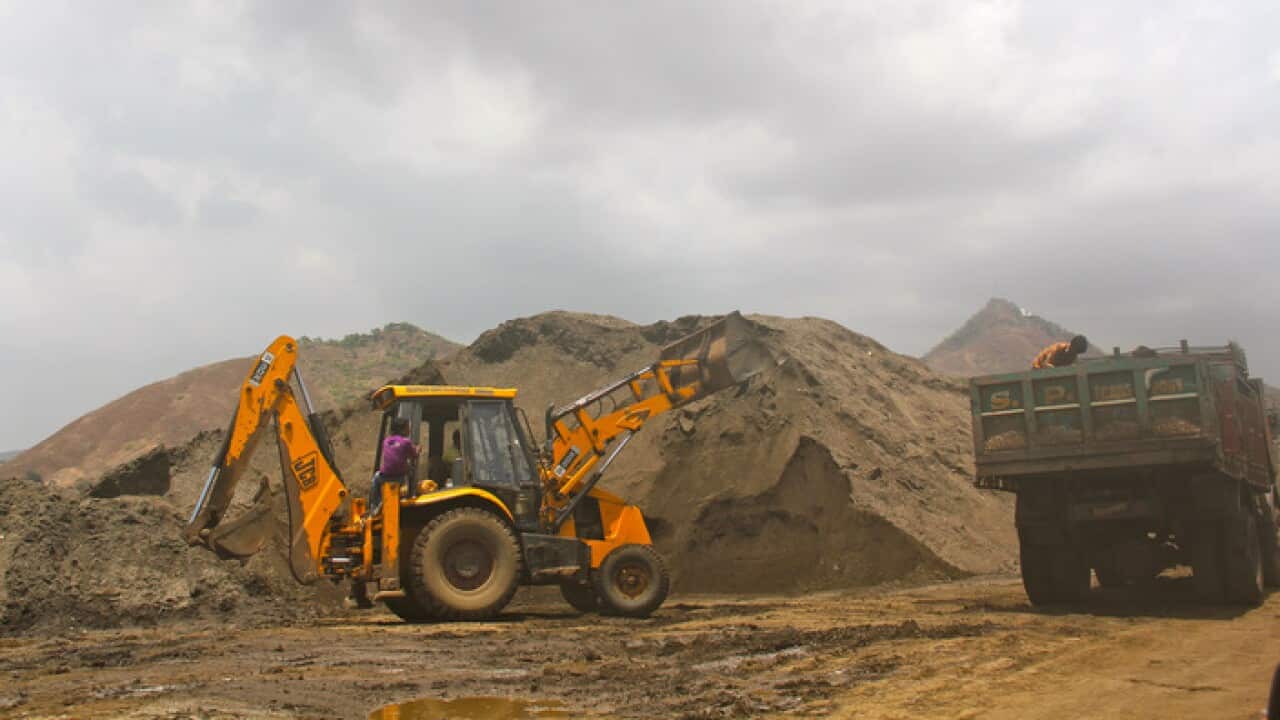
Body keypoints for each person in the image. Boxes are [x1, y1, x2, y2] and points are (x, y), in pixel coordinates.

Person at [370, 417, 419, 513]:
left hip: (384, 476)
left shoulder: (386, 441)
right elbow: (414, 455)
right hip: (400, 477)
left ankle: (374, 506)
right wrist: (418, 449)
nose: (409, 429)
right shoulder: (406, 442)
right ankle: (412, 492)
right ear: (402, 429)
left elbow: (393, 454)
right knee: (410, 468)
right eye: (407, 427)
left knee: (375, 479)